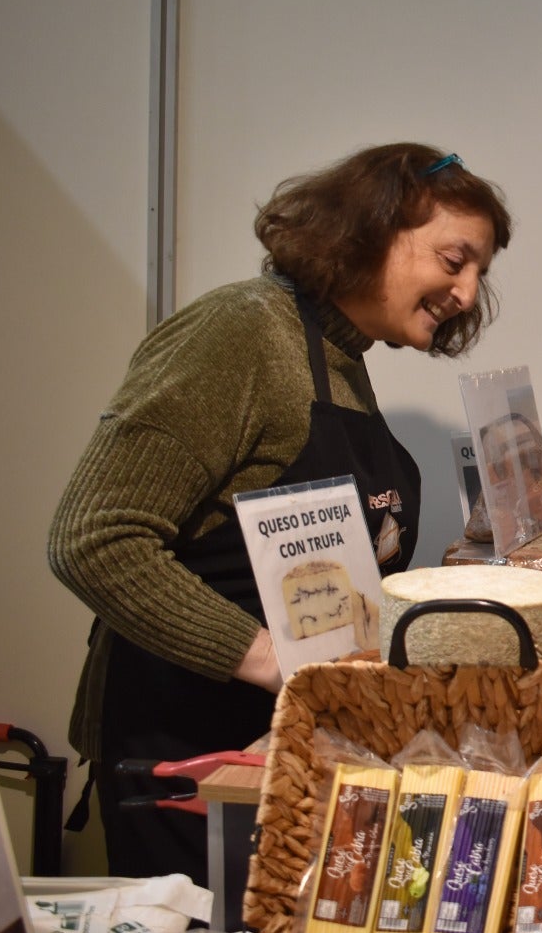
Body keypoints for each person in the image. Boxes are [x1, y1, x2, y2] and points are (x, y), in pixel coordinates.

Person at [48, 143, 513, 884]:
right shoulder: (238, 333)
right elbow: (95, 539)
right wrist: (277, 661)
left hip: (281, 748)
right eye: (455, 260)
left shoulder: (341, 359)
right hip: (191, 754)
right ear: (372, 228)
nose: (467, 291)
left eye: (480, 273)